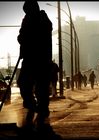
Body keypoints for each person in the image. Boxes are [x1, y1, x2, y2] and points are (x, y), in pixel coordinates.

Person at [17, 1, 61, 139]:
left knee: (41, 87)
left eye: (28, 10)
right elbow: (22, 35)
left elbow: (36, 34)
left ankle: (42, 110)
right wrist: (22, 38)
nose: (26, 13)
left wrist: (25, 37)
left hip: (41, 59)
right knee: (23, 83)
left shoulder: (43, 19)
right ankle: (31, 104)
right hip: (29, 59)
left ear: (33, 9)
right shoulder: (27, 19)